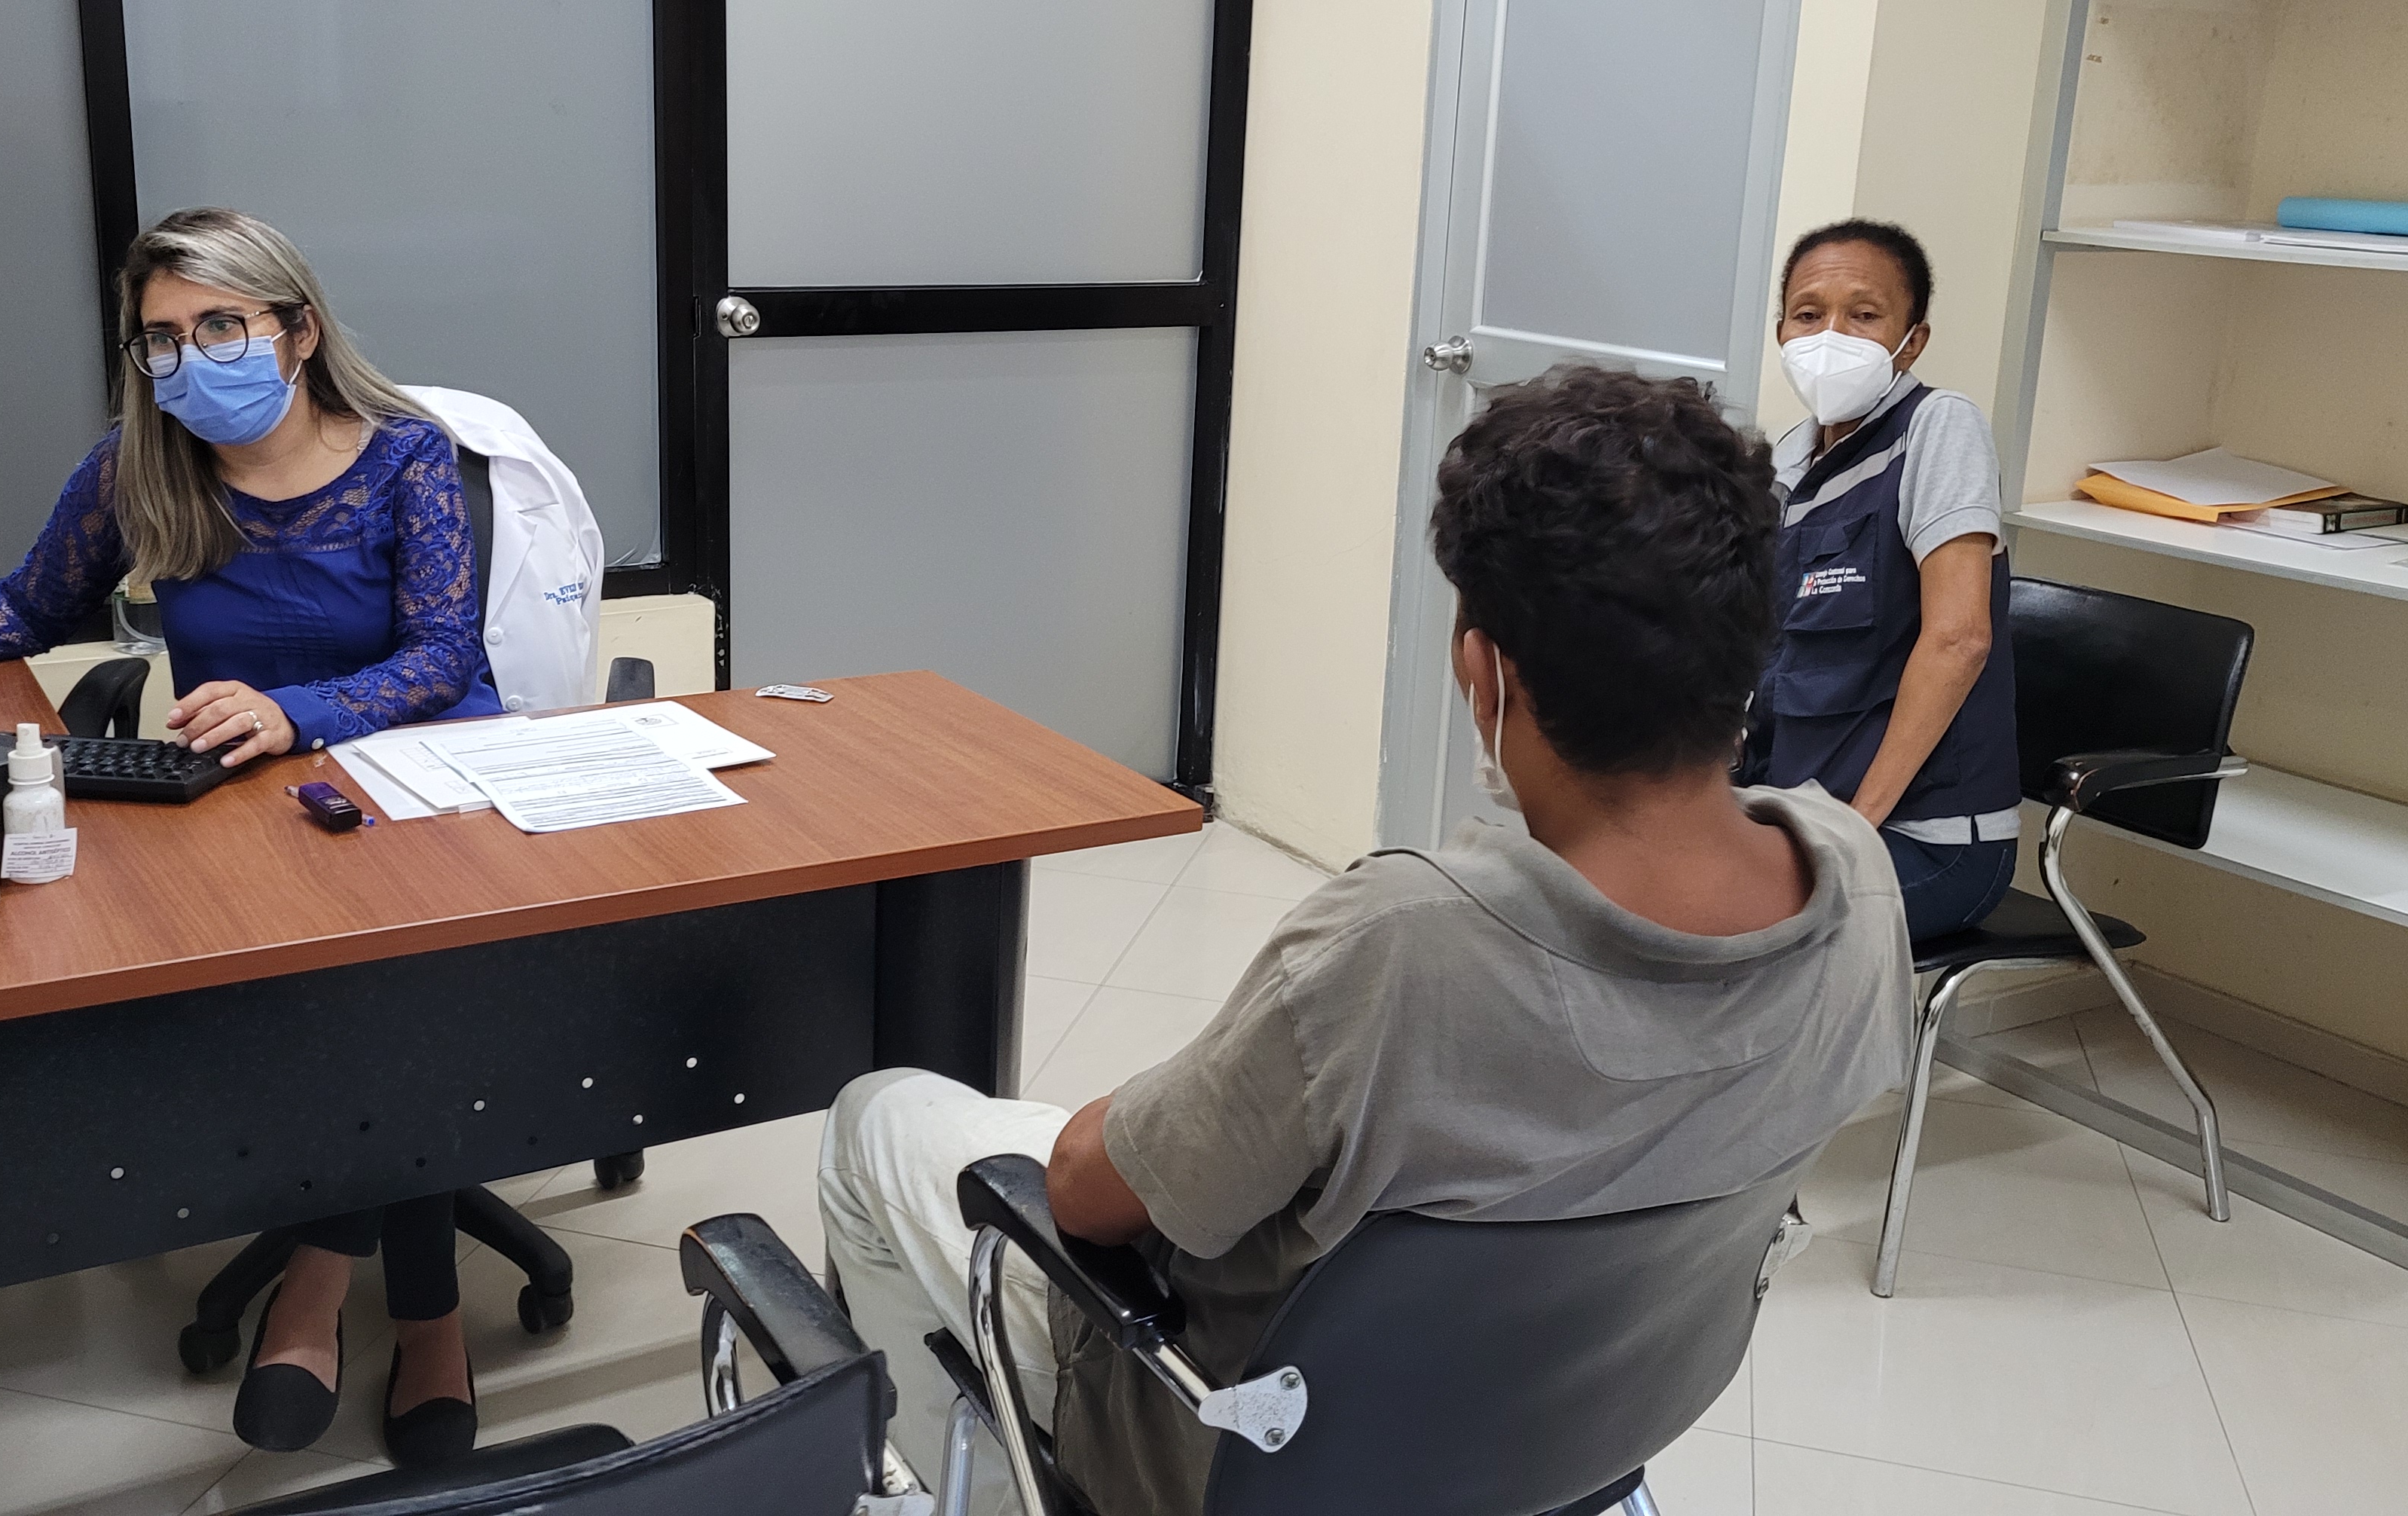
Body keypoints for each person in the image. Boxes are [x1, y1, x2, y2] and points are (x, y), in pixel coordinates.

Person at [817, 366, 1914, 1515]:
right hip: (1578, 1432)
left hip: (1250, 1455)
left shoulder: (1405, 950)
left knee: (878, 1117)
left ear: (1484, 672)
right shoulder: (1858, 891)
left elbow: (1088, 1198)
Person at [0, 206, 497, 1466]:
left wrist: (297, 711)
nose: (189, 358)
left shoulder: (403, 456)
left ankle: (362, 1298)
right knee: (343, 1004)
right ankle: (386, 1288)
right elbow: (29, 605)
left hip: (410, 768)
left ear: (297, 331)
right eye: (162, 336)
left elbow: (444, 654)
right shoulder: (140, 465)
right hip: (248, 794)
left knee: (399, 988)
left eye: (220, 324)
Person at [1744, 219, 2019, 941]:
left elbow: (1959, 641)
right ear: (1781, 333)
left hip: (1922, 837)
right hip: (1801, 810)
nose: (1830, 335)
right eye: (1808, 315)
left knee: (1717, 914)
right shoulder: (1788, 464)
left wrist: (1855, 830)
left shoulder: (1938, 428)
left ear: (1912, 340)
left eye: (1864, 316)